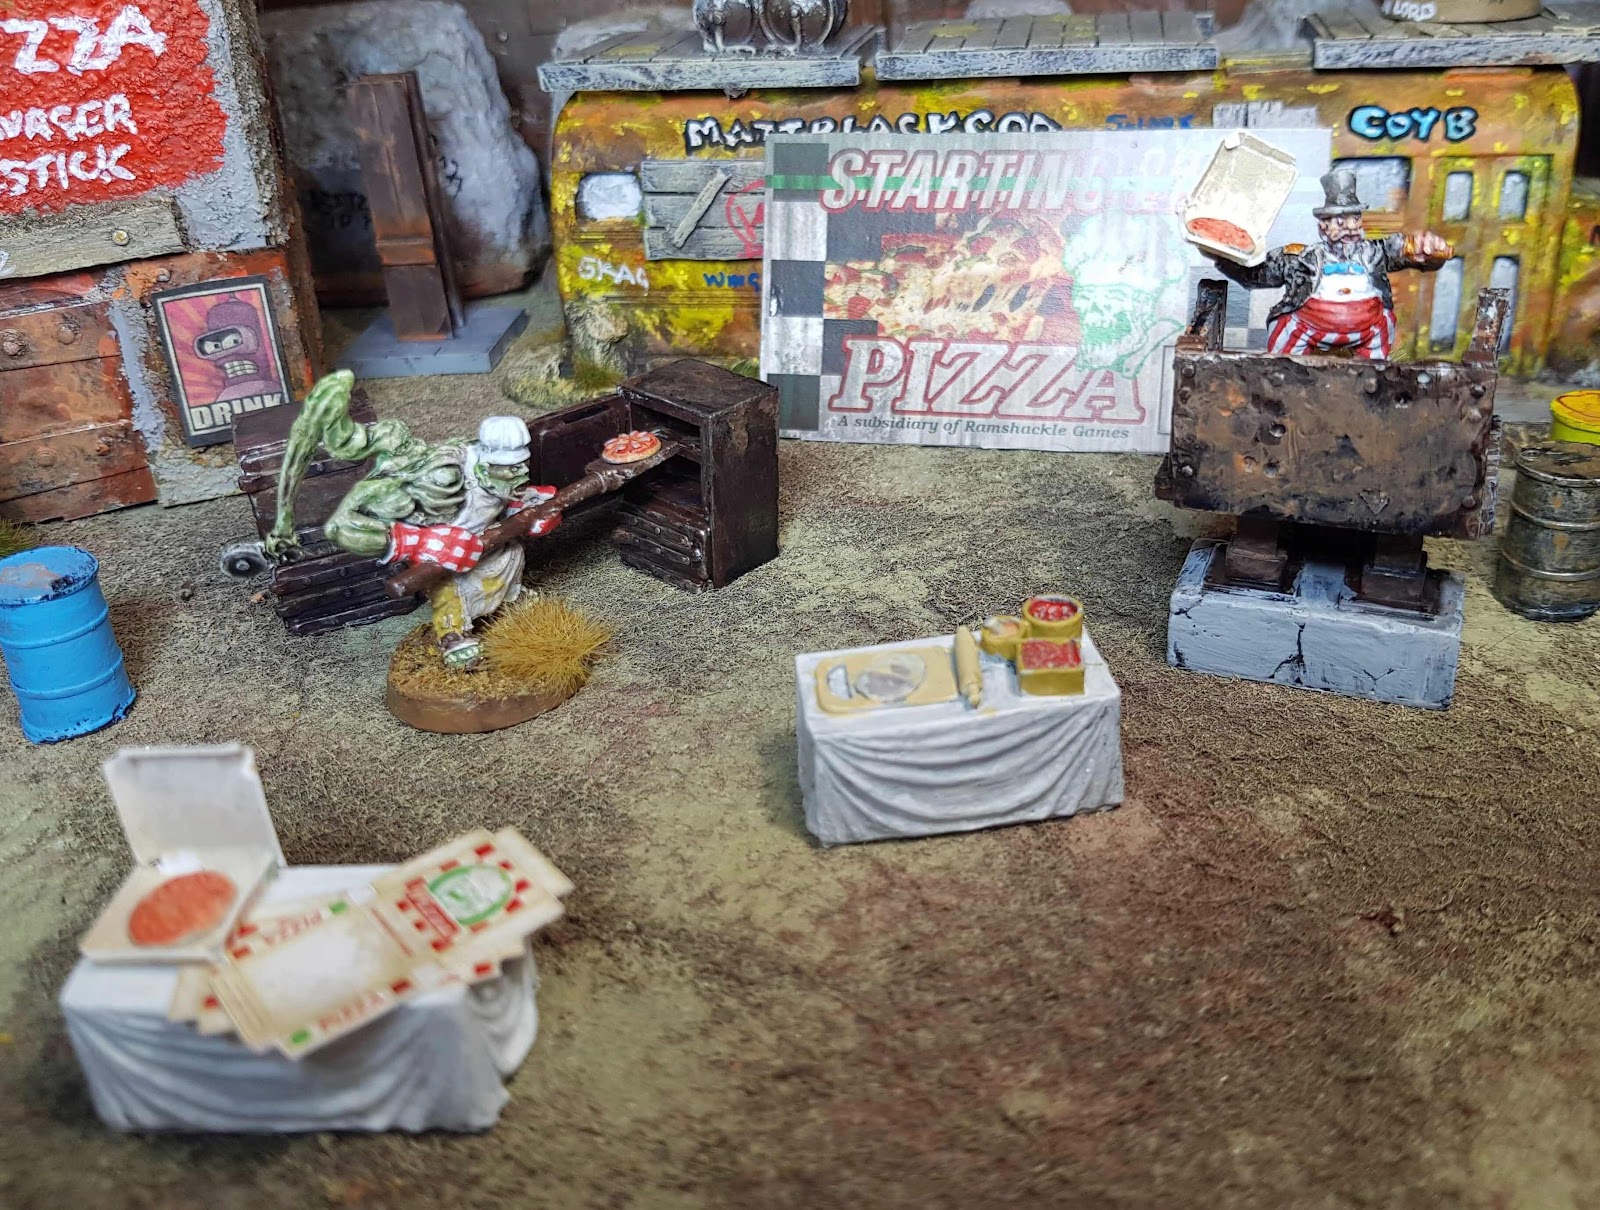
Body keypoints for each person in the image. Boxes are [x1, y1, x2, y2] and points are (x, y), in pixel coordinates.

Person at [1204, 166, 1452, 360]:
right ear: (1323, 227)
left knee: (1383, 333)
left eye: (1355, 219)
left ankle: (1373, 381)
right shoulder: (1299, 258)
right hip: (1307, 327)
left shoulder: (1376, 252)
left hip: (1368, 328)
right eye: (1341, 222)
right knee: (1284, 334)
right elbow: (1255, 275)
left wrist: (1430, 251)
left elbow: (1410, 252)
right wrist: (1223, 255)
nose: (1351, 228)